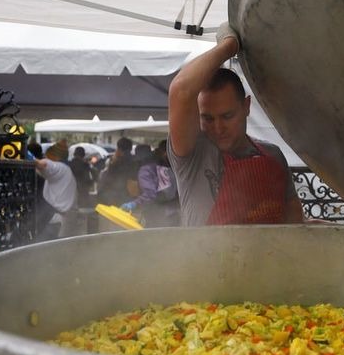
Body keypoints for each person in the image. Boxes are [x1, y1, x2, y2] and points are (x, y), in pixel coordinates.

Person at [167, 23, 303, 226]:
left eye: (227, 116)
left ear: (246, 106)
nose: (218, 128)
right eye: (208, 118)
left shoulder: (273, 156)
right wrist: (229, 45)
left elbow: (295, 226)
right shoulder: (192, 154)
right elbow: (181, 90)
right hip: (206, 258)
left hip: (270, 258)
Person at [121, 142, 180, 227]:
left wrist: (134, 203)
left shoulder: (145, 170)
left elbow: (150, 194)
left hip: (158, 215)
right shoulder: (168, 167)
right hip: (174, 214)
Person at [34, 140, 78, 239]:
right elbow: (41, 170)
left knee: (47, 249)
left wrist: (26, 155)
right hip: (63, 219)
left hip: (56, 220)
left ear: (54, 156)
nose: (45, 157)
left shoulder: (59, 167)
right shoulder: (65, 170)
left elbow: (43, 165)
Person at [97, 137, 139, 206]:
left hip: (117, 196)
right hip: (130, 198)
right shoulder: (136, 162)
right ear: (131, 148)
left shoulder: (117, 162)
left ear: (119, 149)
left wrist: (113, 161)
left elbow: (108, 179)